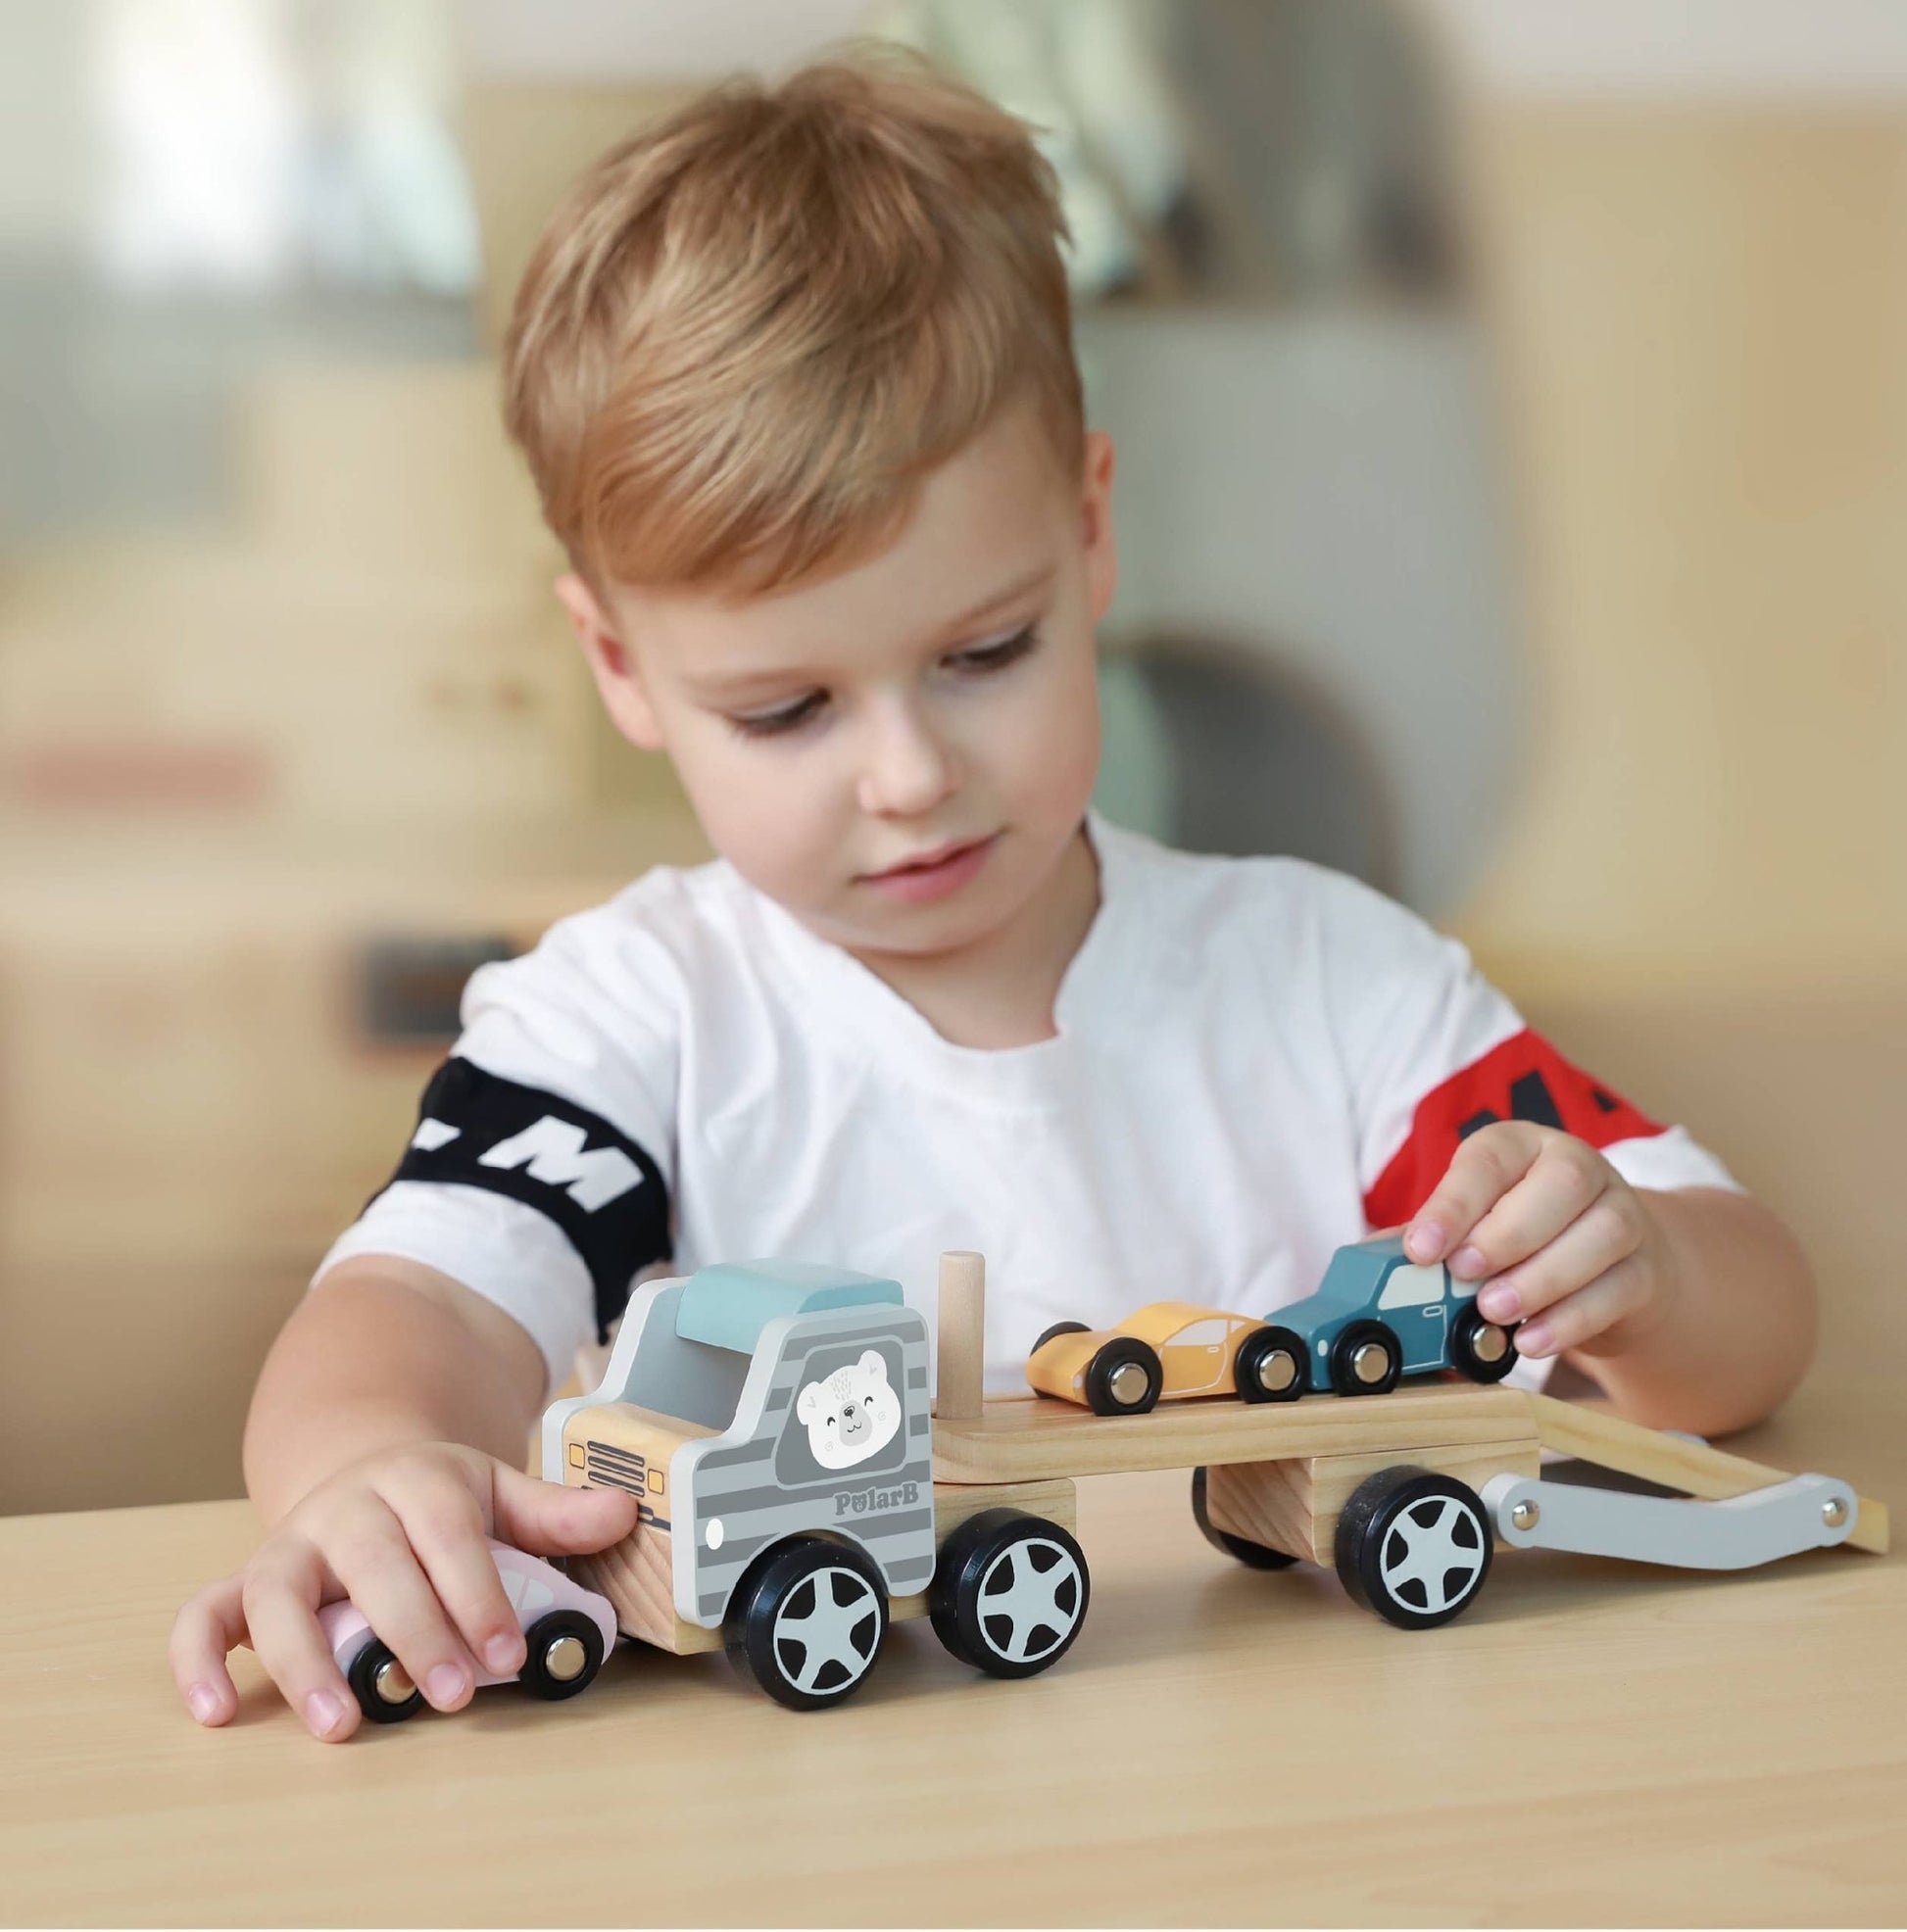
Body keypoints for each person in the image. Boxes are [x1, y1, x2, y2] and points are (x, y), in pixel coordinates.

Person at [170, 49, 1815, 1743]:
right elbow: (418, 1307)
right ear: (620, 665)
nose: (906, 775)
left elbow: (1742, 1334)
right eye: (785, 709)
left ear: (1090, 537)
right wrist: (371, 1469)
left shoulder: (1331, 989)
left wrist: (1644, 1279)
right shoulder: (630, 1022)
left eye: (982, 652)